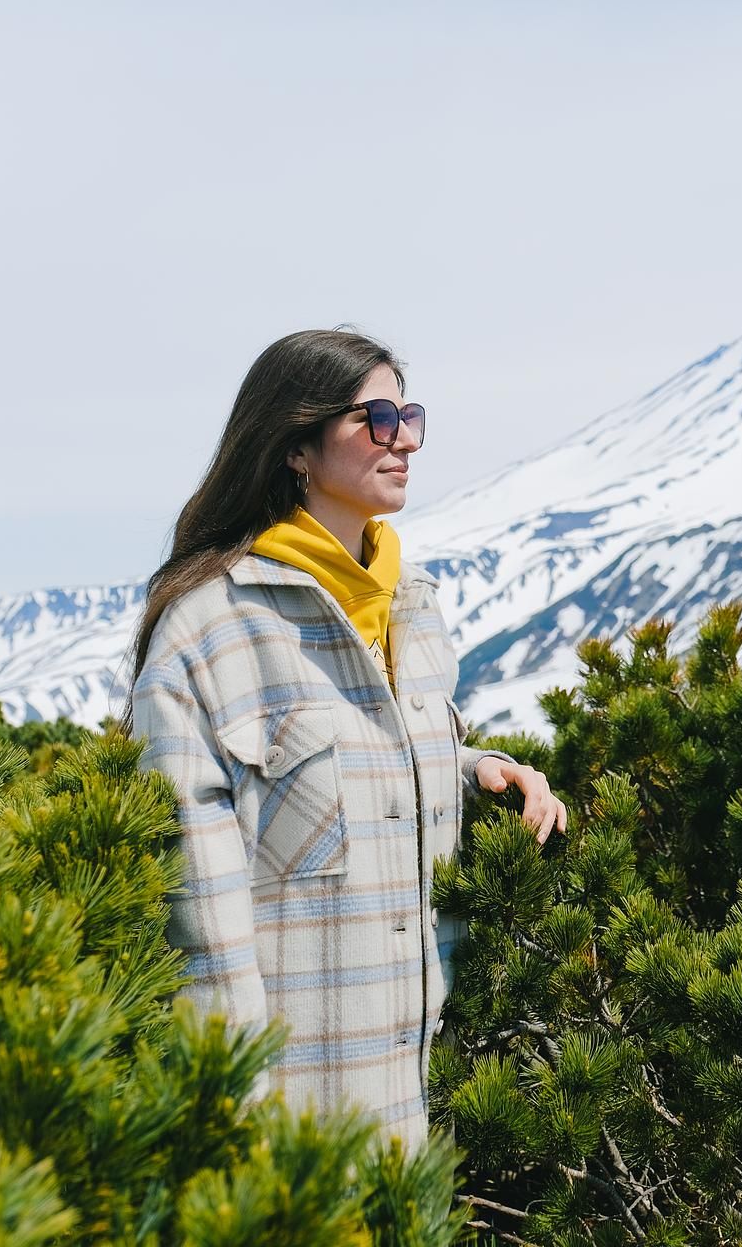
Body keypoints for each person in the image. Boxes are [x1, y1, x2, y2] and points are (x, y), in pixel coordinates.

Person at [121, 327, 568, 1151]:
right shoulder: (212, 630)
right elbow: (199, 919)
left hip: (430, 1101)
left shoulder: (413, 605)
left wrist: (484, 773)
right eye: (377, 419)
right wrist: (237, 1129)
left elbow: (363, 759)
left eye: (409, 417)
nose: (402, 441)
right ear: (297, 445)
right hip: (299, 1118)